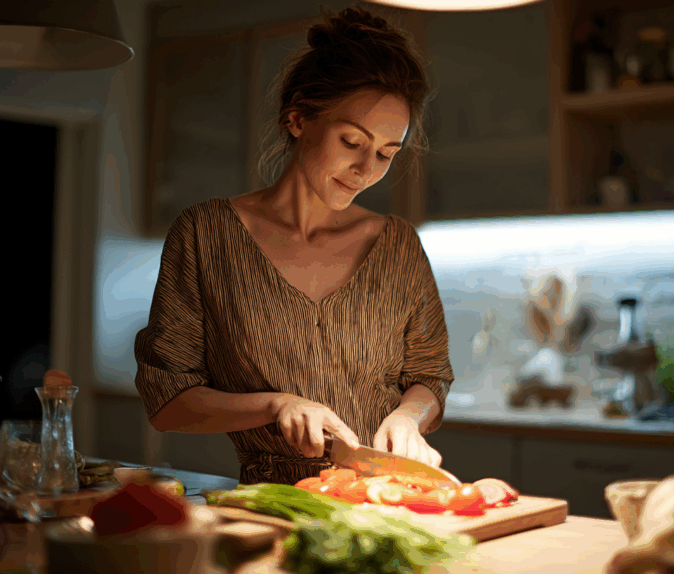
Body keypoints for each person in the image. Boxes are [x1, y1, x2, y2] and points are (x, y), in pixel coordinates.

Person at [133, 6, 454, 486]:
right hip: (274, 506)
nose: (367, 170)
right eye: (352, 141)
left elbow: (430, 376)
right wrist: (276, 405)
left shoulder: (398, 245)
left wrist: (410, 416)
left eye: (387, 153)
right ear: (299, 117)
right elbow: (168, 402)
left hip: (388, 497)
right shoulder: (205, 235)